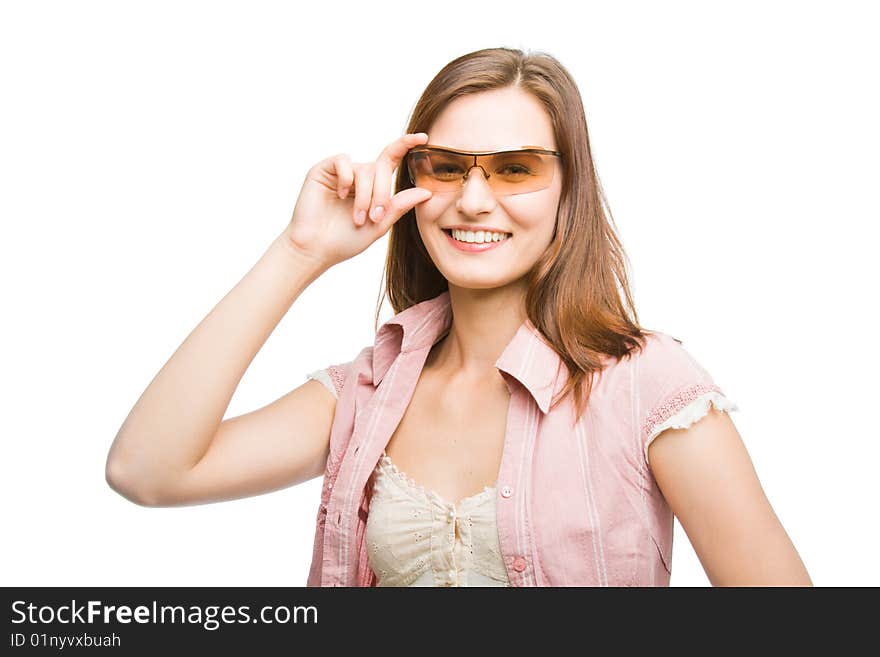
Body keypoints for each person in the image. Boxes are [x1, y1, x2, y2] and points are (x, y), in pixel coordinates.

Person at [105, 47, 812, 587]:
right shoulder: (367, 389)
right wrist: (300, 251)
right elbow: (147, 470)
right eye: (446, 166)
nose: (473, 199)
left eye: (515, 169)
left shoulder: (646, 384)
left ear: (569, 193)